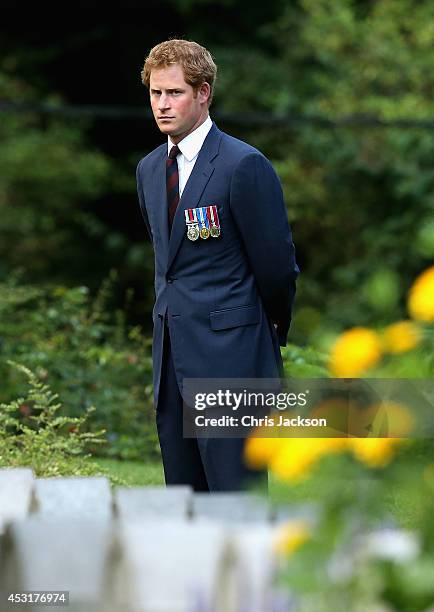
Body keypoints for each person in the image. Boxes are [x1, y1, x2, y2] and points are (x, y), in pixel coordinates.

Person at [136, 39, 299, 492]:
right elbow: (168, 266)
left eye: (175, 93)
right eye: (155, 93)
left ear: (203, 93)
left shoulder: (243, 165)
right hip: (171, 358)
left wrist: (261, 335)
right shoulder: (149, 169)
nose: (163, 105)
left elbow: (276, 268)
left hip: (230, 358)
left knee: (235, 500)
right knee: (184, 504)